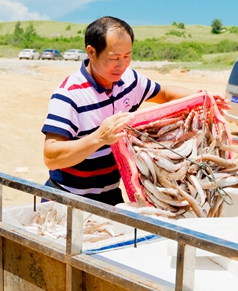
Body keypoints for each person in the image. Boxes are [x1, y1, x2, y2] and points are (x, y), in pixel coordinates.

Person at [41, 17, 213, 206]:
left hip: (109, 195)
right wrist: (99, 138)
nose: (122, 65)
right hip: (66, 197)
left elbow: (165, 93)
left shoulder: (129, 80)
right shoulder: (69, 95)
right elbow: (51, 157)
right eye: (114, 58)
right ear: (91, 52)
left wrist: (204, 100)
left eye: (127, 56)